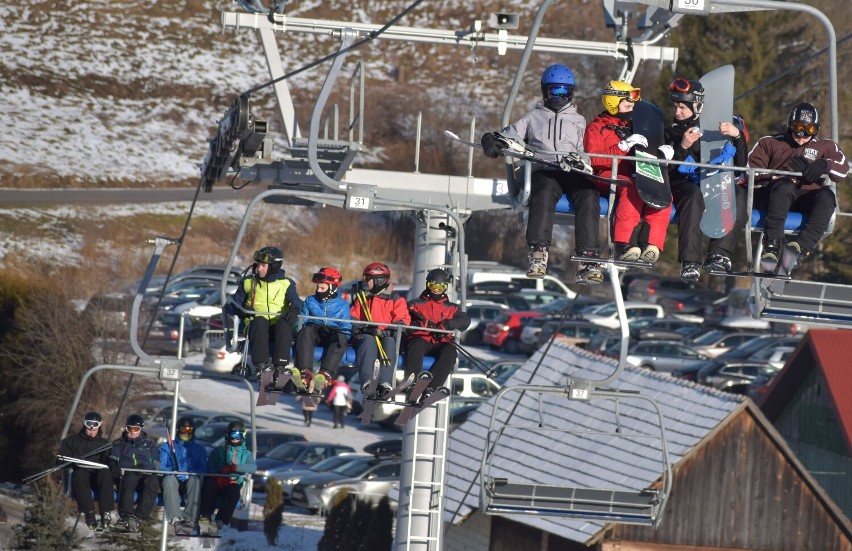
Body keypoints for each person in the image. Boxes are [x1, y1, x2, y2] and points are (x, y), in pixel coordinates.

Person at [480, 64, 604, 283]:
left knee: (589, 194)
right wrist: (491, 140)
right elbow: (509, 137)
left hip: (571, 169)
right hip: (543, 169)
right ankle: (538, 251)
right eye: (554, 91)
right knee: (544, 193)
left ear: (571, 93)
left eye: (563, 92)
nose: (558, 97)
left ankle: (588, 257)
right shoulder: (532, 118)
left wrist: (582, 161)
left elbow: (587, 150)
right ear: (544, 91)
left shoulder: (580, 121)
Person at [663, 77, 749, 281]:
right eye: (675, 106)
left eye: (682, 107)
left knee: (738, 192)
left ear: (697, 106)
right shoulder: (672, 132)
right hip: (685, 183)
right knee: (692, 196)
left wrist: (737, 138)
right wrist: (682, 147)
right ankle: (690, 262)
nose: (677, 112)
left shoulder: (717, 129)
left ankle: (720, 253)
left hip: (713, 182)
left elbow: (739, 166)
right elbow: (668, 170)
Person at [749, 102, 848, 274]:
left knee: (827, 196)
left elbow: (842, 169)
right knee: (785, 185)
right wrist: (775, 176)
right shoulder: (770, 143)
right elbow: (749, 171)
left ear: (815, 130)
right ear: (790, 125)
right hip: (776, 197)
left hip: (805, 198)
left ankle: (798, 248)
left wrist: (824, 165)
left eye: (808, 130)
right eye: (797, 127)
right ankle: (772, 245)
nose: (801, 135)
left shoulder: (825, 147)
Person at [583, 81, 672, 267]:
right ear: (612, 103)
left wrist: (662, 154)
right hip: (605, 175)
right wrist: (622, 146)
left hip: (632, 176)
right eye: (627, 105)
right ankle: (623, 244)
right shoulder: (597, 128)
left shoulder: (635, 127)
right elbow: (594, 159)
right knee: (630, 187)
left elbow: (646, 154)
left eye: (633, 106)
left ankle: (650, 243)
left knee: (662, 191)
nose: (631, 110)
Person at [228, 246, 303, 379]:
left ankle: (280, 367)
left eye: (263, 265)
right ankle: (261, 366)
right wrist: (244, 311)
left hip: (277, 330)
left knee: (285, 322)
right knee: (260, 319)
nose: (259, 269)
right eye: (258, 265)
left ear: (274, 267)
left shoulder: (286, 284)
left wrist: (294, 309)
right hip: (256, 327)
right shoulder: (248, 282)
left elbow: (297, 302)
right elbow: (233, 305)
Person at [404, 268, 471, 402]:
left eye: (441, 287)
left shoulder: (452, 308)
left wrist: (446, 326)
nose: (436, 290)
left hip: (440, 342)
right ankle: (411, 385)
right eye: (433, 286)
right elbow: (403, 320)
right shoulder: (415, 304)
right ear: (428, 285)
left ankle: (431, 388)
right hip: (421, 339)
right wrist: (420, 325)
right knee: (416, 345)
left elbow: (465, 320)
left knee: (450, 352)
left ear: (445, 288)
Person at [350, 262, 411, 398]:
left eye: (368, 279)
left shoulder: (395, 299)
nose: (365, 282)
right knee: (368, 340)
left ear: (379, 280)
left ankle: (385, 383)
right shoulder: (363, 298)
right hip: (367, 335)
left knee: (389, 342)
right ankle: (367, 381)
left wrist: (385, 331)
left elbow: (403, 320)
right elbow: (353, 317)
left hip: (387, 335)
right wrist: (363, 327)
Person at [294, 267, 352, 391]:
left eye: (323, 288)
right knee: (306, 331)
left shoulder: (343, 305)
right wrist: (300, 331)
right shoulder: (311, 300)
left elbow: (347, 327)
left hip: (332, 335)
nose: (319, 291)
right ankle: (305, 372)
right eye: (318, 288)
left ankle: (325, 374)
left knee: (341, 338)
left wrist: (342, 334)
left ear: (332, 288)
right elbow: (301, 322)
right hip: (315, 334)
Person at [198, 420, 257, 537]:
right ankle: (205, 515)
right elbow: (211, 465)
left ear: (243, 436)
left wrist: (235, 467)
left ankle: (220, 521)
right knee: (209, 485)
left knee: (234, 491)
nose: (235, 438)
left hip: (232, 482)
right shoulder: (219, 451)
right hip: (217, 481)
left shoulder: (246, 454)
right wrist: (218, 476)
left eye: (238, 436)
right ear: (227, 435)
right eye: (232, 435)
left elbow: (252, 468)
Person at [58, 412, 115, 531]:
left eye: (95, 427)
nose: (92, 429)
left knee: (105, 474)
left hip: (97, 476)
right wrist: (73, 459)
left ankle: (105, 512)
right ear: (84, 424)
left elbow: (109, 460)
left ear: (99, 426)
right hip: (81, 476)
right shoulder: (71, 441)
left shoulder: (104, 444)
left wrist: (112, 463)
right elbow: (61, 459)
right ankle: (89, 513)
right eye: (89, 426)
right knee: (79, 474)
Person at [108, 414, 159, 532]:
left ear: (141, 429)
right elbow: (113, 462)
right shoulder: (120, 445)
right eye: (129, 429)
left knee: (152, 481)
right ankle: (126, 516)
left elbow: (156, 464)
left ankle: (140, 517)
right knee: (130, 477)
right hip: (128, 475)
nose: (132, 432)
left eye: (135, 429)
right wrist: (119, 469)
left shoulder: (150, 446)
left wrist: (144, 467)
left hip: (145, 475)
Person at [159, 417, 208, 536]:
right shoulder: (167, 447)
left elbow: (203, 469)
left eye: (189, 430)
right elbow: (161, 466)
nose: (186, 433)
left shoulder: (200, 450)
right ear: (177, 430)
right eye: (183, 430)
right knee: (169, 480)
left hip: (190, 481)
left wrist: (189, 473)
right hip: (173, 480)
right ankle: (175, 518)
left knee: (195, 480)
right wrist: (174, 472)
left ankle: (190, 519)